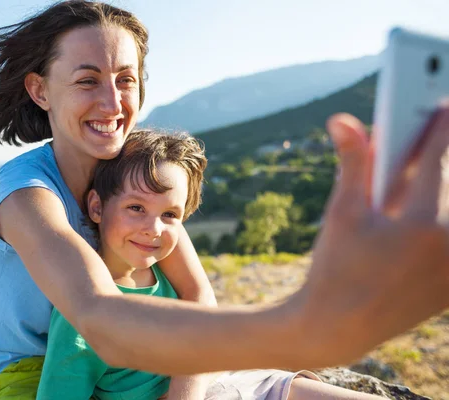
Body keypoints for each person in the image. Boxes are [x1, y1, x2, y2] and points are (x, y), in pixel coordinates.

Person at [0, 1, 449, 399]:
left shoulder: (133, 173)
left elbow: (197, 296)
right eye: (86, 80)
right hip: (42, 383)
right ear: (40, 90)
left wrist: (184, 394)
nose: (112, 102)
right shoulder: (25, 195)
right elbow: (97, 319)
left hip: (149, 368)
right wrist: (310, 329)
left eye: (126, 79)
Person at [36, 129, 386, 400]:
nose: (153, 229)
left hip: (225, 380)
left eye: (170, 214)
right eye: (136, 208)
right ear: (96, 207)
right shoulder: (81, 311)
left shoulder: (165, 276)